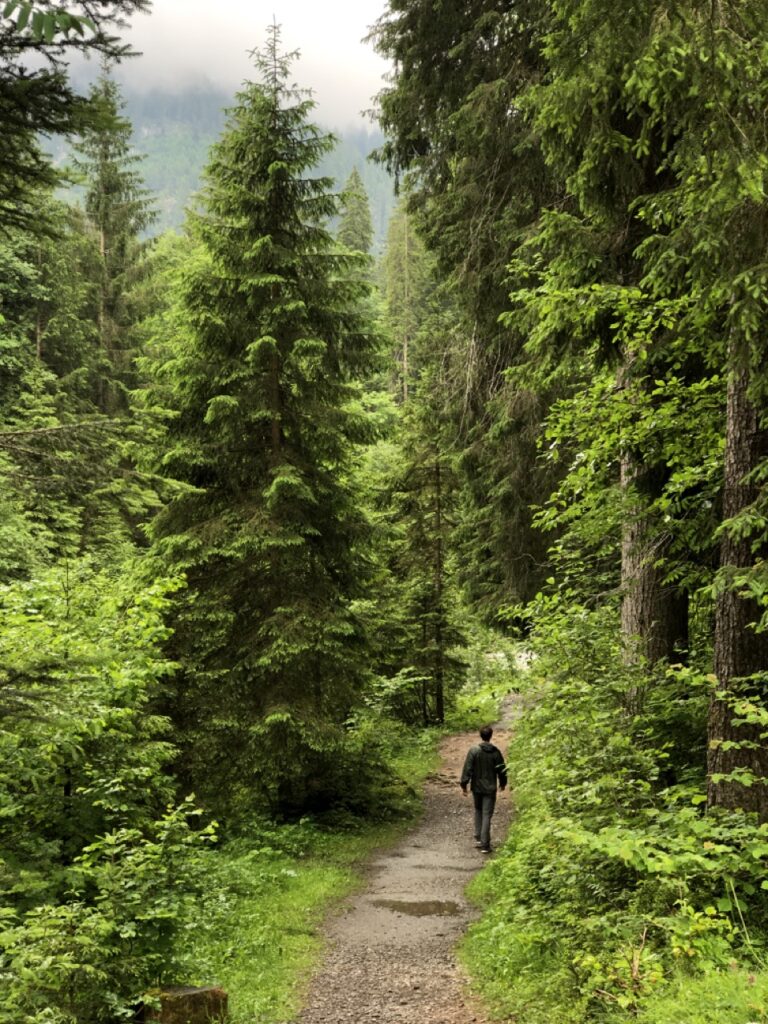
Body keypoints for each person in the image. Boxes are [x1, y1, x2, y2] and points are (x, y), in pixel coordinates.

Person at [460, 725, 507, 853]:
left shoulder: (474, 751)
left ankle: (479, 838)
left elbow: (467, 768)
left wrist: (464, 784)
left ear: (480, 735)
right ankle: (485, 845)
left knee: (478, 810)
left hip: (477, 787)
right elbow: (502, 770)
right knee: (487, 814)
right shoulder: (495, 752)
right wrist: (503, 783)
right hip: (490, 788)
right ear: (490, 736)